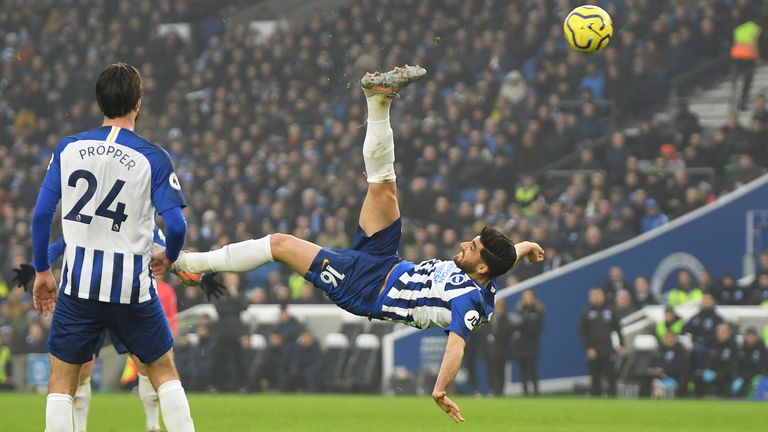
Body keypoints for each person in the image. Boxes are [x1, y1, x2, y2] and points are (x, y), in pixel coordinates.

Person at [152, 65, 545, 423]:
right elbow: (503, 262)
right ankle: (378, 100)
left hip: (365, 287)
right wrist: (524, 246)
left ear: (481, 268)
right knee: (385, 188)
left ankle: (189, 262)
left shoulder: (469, 301)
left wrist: (440, 389)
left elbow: (457, 343)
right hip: (385, 259)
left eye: (472, 248)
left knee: (280, 243)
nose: (463, 243)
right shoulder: (486, 271)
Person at [30, 63, 195, 432]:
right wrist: (168, 257)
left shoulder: (68, 148)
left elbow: (42, 215)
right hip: (132, 288)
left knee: (62, 380)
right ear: (138, 103)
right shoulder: (153, 157)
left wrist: (42, 271)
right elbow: (178, 225)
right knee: (164, 371)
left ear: (99, 102)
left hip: (78, 286)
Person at [579, 287, 625, 397]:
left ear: (603, 295)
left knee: (611, 378)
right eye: (593, 295)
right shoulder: (587, 313)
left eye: (598, 294)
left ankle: (613, 401)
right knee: (595, 378)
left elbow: (618, 329)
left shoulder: (610, 311)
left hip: (609, 350)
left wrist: (622, 345)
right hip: (594, 351)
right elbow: (582, 333)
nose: (595, 297)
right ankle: (596, 401)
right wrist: (588, 348)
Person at [511, 290, 544, 396]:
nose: (527, 298)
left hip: (531, 345)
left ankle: (536, 392)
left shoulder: (537, 311)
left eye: (529, 296)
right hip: (520, 345)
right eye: (525, 296)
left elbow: (537, 328)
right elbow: (515, 326)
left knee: (532, 369)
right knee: (522, 370)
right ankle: (525, 393)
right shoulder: (519, 310)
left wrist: (524, 324)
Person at [648, 331, 689, 398]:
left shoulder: (680, 350)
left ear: (675, 339)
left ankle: (662, 391)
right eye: (667, 337)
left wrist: (664, 370)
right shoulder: (660, 350)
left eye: (671, 337)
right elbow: (656, 362)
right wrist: (655, 369)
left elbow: (682, 366)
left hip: (675, 376)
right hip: (661, 376)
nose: (669, 339)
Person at [735, 327, 767, 396]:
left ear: (756, 337)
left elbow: (762, 365)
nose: (750, 339)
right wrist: (738, 377)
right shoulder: (741, 349)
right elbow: (737, 364)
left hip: (757, 376)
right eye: (748, 336)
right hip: (743, 377)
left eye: (752, 337)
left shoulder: (761, 348)